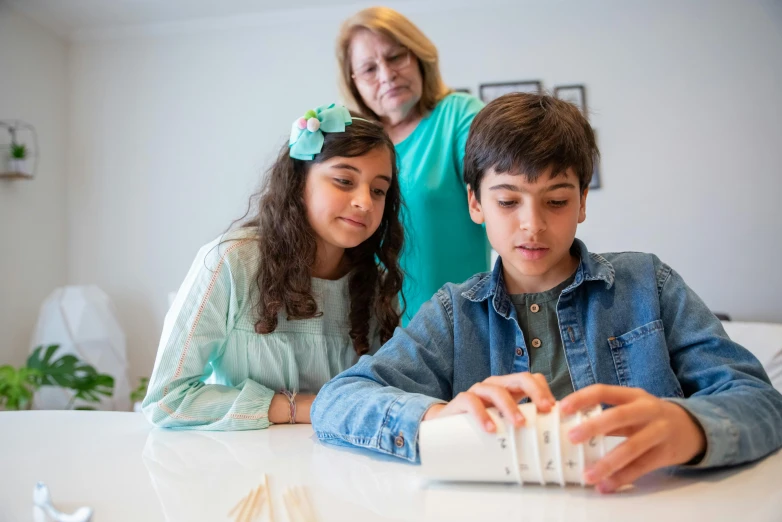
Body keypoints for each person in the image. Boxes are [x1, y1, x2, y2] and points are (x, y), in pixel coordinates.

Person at [311, 93, 782, 493]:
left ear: (581, 202)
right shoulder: (455, 312)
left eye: (556, 201)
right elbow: (338, 400)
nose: (532, 225)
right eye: (508, 200)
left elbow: (761, 401)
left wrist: (692, 428)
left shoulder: (647, 285)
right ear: (475, 203)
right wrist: (435, 414)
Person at [142, 103, 404, 429]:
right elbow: (166, 400)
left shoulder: (376, 286)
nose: (365, 202)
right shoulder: (231, 261)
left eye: (379, 190)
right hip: (242, 468)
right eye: (343, 180)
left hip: (340, 467)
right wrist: (303, 408)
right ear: (298, 184)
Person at [336, 6, 489, 323]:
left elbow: (499, 194)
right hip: (373, 332)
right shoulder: (350, 143)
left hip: (459, 324)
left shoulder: (459, 115)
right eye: (369, 69)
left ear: (419, 57)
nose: (386, 75)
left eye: (395, 57)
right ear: (354, 84)